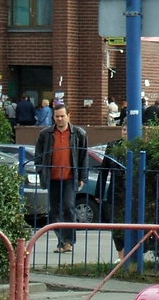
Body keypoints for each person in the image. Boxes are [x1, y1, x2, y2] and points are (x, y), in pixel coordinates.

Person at [35, 103, 89, 254]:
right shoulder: (45, 134)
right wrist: (41, 171)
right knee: (54, 211)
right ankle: (61, 240)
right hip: (52, 178)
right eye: (57, 116)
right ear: (53, 117)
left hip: (70, 178)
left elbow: (83, 157)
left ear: (68, 116)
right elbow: (38, 155)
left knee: (68, 207)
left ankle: (69, 241)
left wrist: (83, 177)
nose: (59, 119)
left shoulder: (79, 134)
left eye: (62, 116)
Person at [95, 125, 129, 262]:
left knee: (133, 225)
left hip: (133, 194)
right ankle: (121, 255)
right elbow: (104, 170)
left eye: (129, 129)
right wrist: (99, 192)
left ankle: (130, 255)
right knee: (116, 225)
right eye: (124, 129)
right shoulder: (113, 146)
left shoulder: (141, 147)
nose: (126, 132)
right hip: (115, 192)